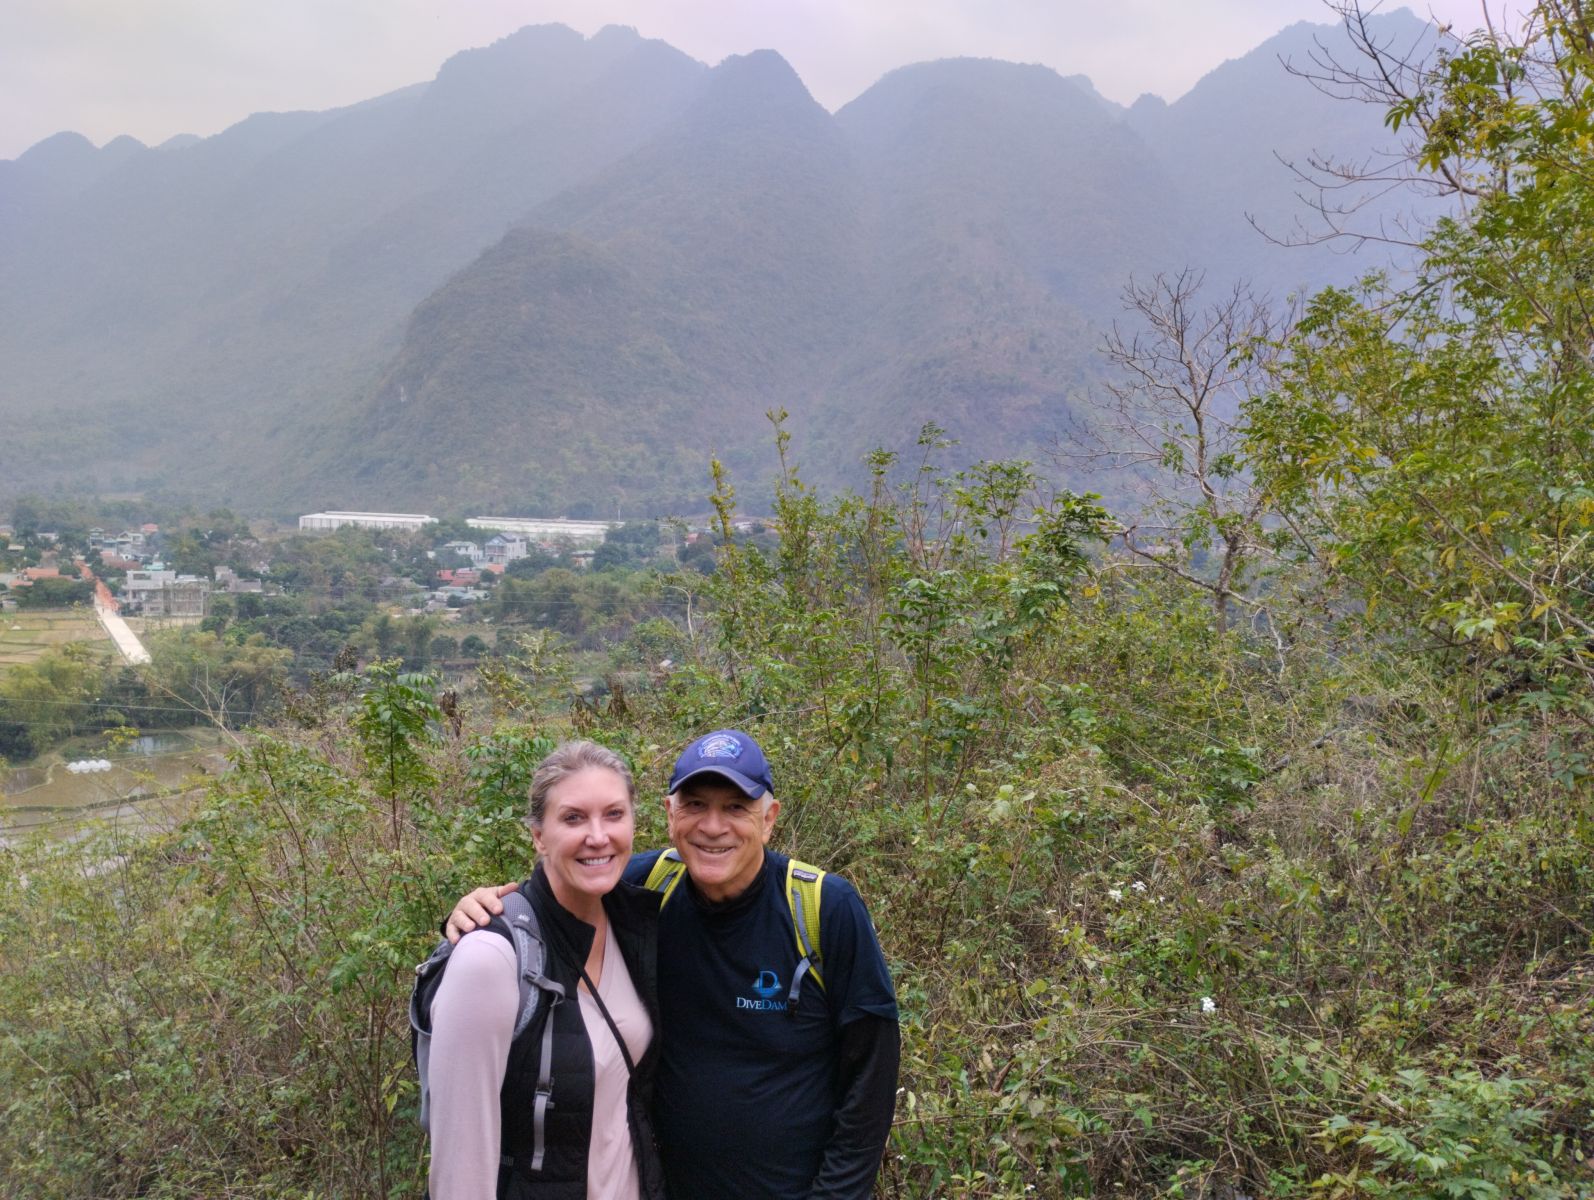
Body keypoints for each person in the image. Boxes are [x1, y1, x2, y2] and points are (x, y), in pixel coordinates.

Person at [446, 729, 901, 1200]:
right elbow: (560, 892)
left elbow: (871, 1077)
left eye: (736, 808)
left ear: (769, 819)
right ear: (670, 814)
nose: (712, 826)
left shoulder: (822, 908)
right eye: (696, 804)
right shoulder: (647, 890)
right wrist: (482, 912)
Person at [427, 740, 665, 1200]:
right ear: (538, 835)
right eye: (573, 818)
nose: (598, 836)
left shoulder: (635, 921)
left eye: (614, 814)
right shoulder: (490, 960)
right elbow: (461, 1170)